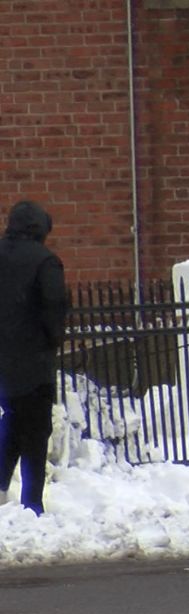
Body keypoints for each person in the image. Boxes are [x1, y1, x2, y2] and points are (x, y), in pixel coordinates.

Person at [0, 201, 68, 516]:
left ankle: (1, 487)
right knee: (36, 432)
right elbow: (53, 306)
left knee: (13, 420)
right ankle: (32, 502)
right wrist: (53, 339)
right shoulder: (45, 262)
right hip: (34, 362)